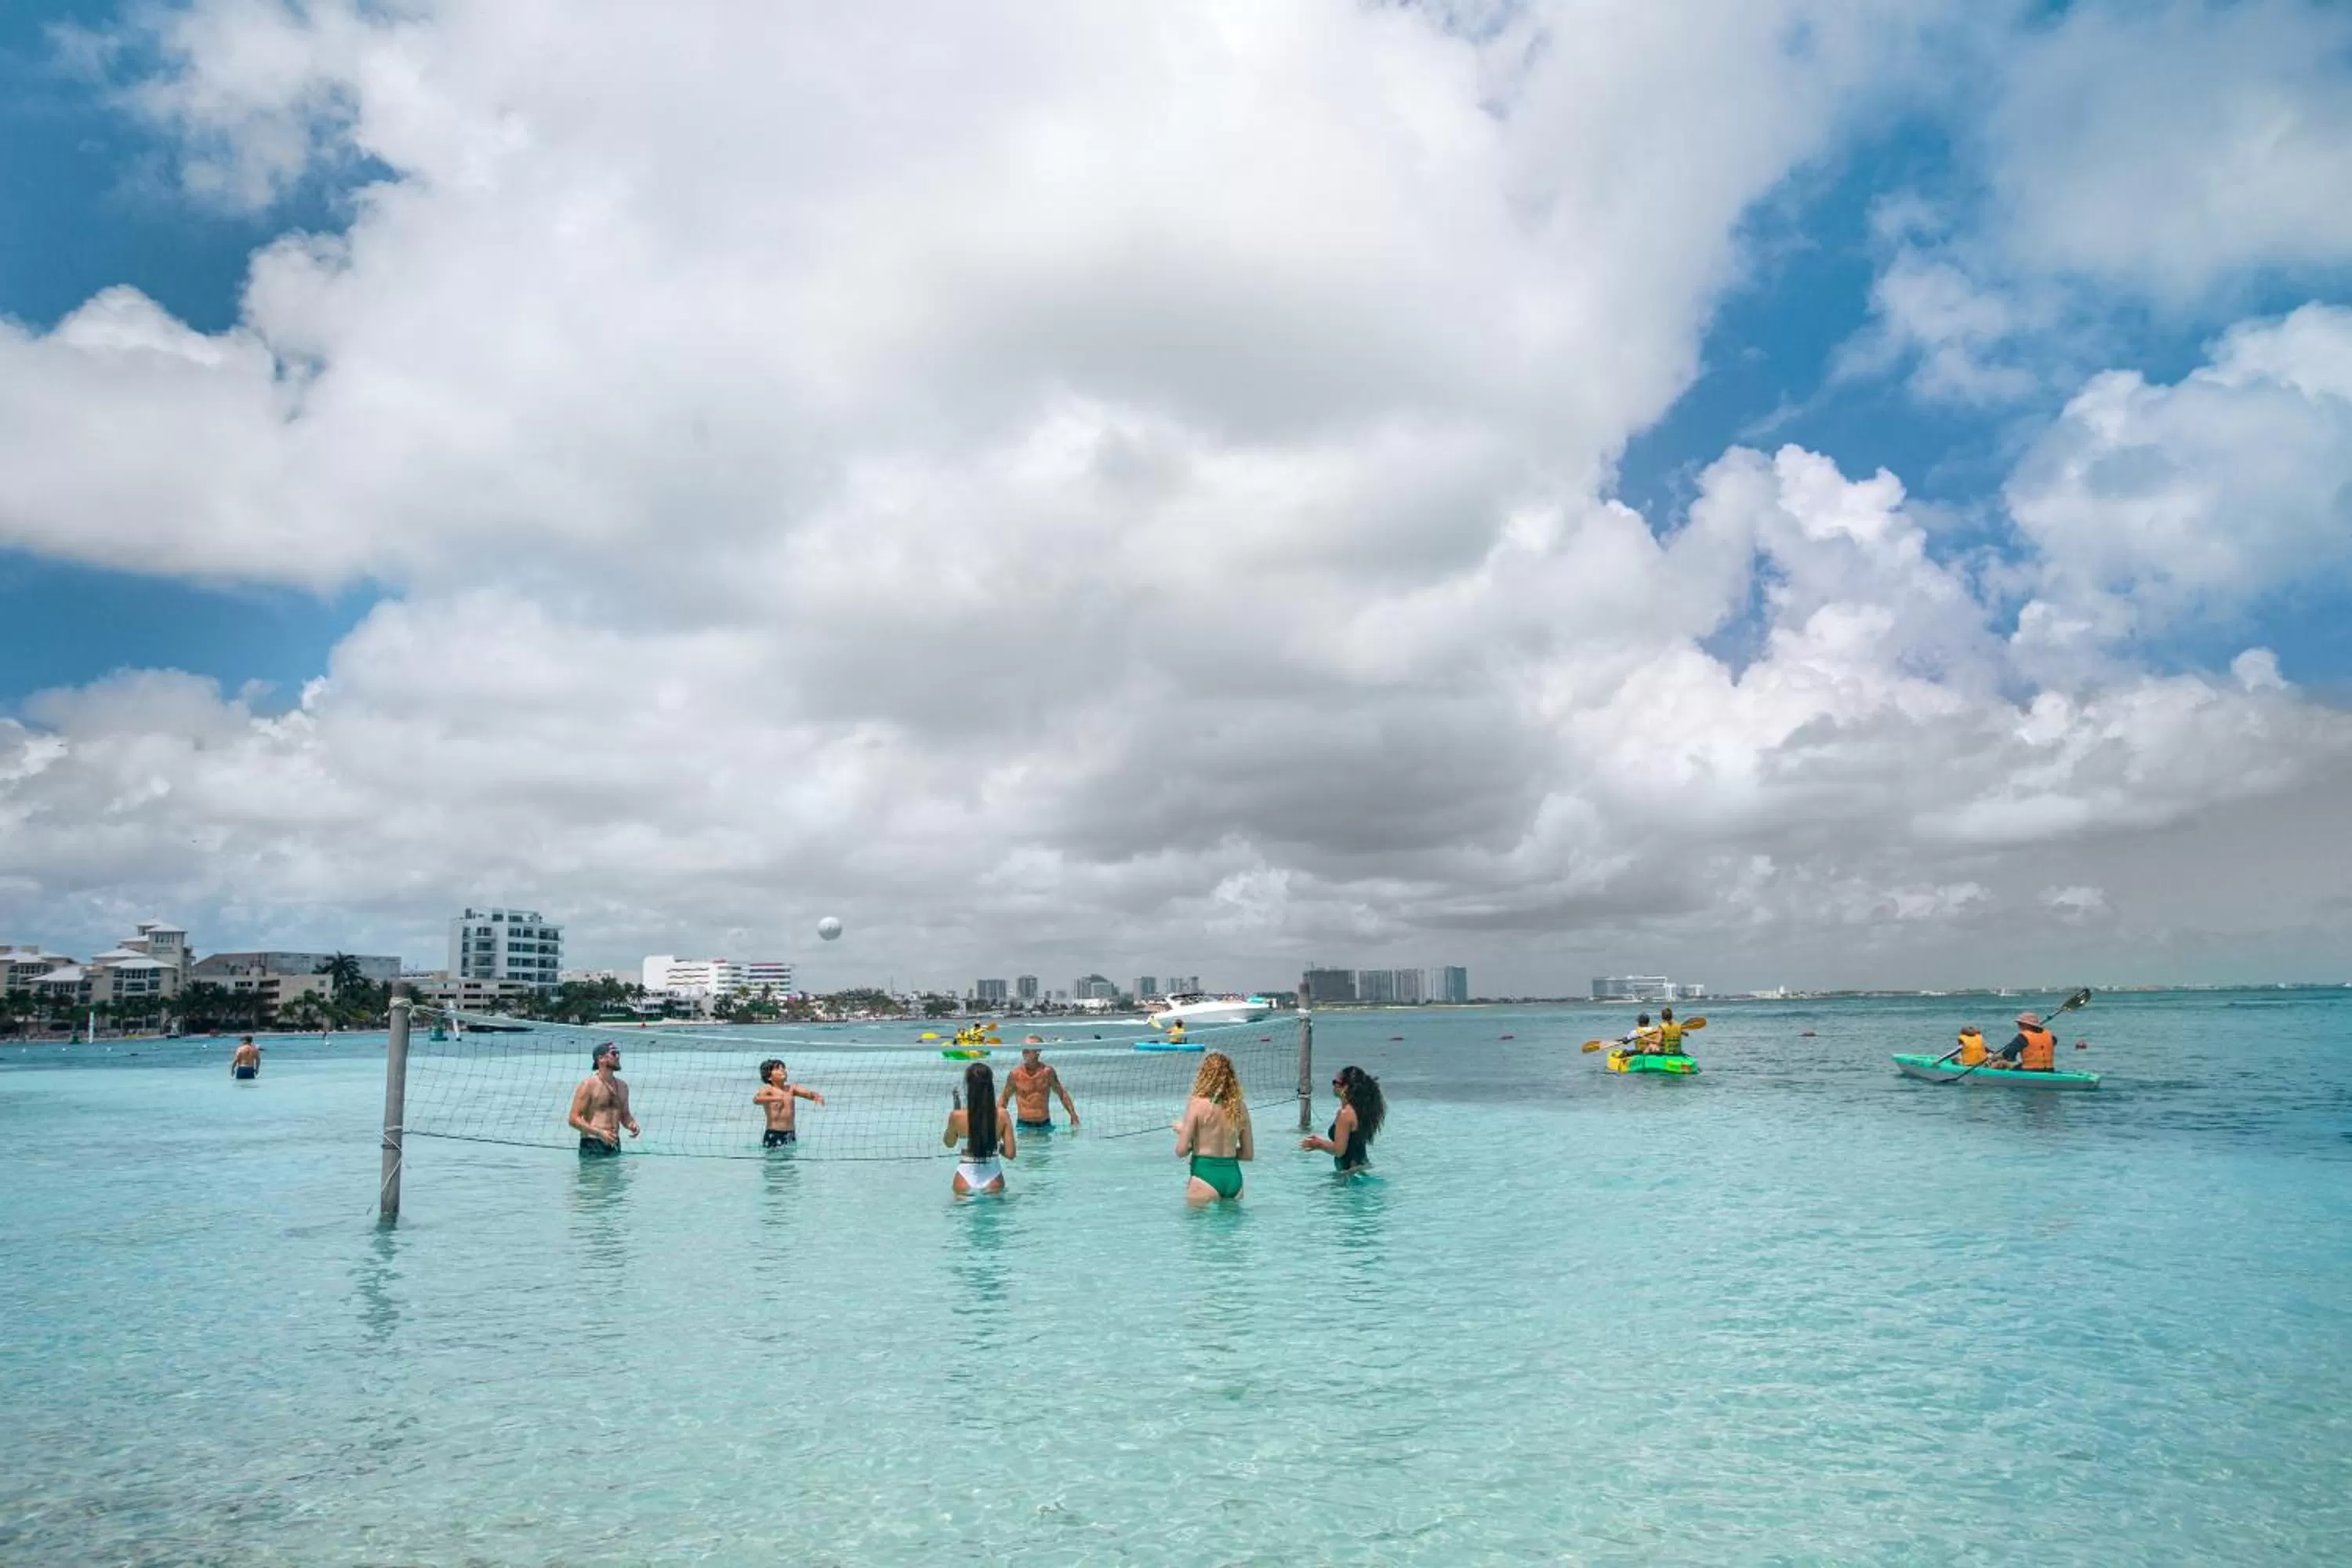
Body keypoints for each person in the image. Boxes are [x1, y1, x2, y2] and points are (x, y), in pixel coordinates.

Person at [1174, 1050, 1253, 1203]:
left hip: (1205, 1176)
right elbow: (1247, 1154)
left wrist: (1184, 1133)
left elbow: (1181, 1151)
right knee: (1232, 1227)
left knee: (1201, 1227)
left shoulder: (1197, 1104)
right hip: (1233, 1178)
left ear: (1204, 1075)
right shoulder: (1240, 1107)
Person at [943, 1061, 1016, 1195]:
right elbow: (1011, 1154)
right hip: (993, 1175)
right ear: (990, 1086)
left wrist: (955, 1115)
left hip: (965, 1175)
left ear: (969, 1085)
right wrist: (994, 1144)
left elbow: (949, 1143)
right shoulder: (1002, 1115)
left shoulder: (957, 1116)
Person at [1301, 1064, 1385, 1174]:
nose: (1333, 1085)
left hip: (1350, 1175)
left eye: (1336, 1082)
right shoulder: (1359, 1110)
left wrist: (1319, 1144)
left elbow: (1339, 1150)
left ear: (1346, 1087)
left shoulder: (1345, 1114)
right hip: (1360, 1169)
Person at [568, 1042, 641, 1156]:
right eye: (613, 1053)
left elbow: (625, 1115)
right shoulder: (588, 1085)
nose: (617, 1057)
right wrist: (600, 1133)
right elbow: (573, 1119)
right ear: (600, 1059)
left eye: (618, 1053)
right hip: (592, 1143)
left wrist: (632, 1124)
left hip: (615, 1144)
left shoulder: (623, 1086)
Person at [1000, 1044, 1079, 1134]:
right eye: (1024, 1049)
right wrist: (997, 1120)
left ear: (1038, 1052)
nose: (1024, 1052)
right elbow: (1004, 1098)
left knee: (1046, 1147)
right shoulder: (1015, 1074)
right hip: (1024, 1126)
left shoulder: (1048, 1072)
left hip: (1045, 1125)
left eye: (1028, 1049)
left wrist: (1073, 1115)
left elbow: (1062, 1094)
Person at [753, 1058, 824, 1147]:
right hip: (774, 1133)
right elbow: (756, 1100)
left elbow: (806, 1093)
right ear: (769, 1077)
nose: (782, 1070)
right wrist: (774, 1098)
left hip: (790, 1134)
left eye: (783, 1068)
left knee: (790, 1159)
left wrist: (815, 1097)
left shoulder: (791, 1089)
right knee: (773, 1159)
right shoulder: (768, 1089)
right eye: (777, 1069)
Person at [1987, 1011, 2056, 1073]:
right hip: (2049, 1070)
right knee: (2017, 1063)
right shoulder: (2050, 1035)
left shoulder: (2023, 1037)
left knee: (2001, 1063)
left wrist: (1992, 1057)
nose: (2019, 1026)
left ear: (2027, 1025)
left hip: (2029, 1070)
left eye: (2020, 1024)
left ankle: (1987, 1076)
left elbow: (2007, 1055)